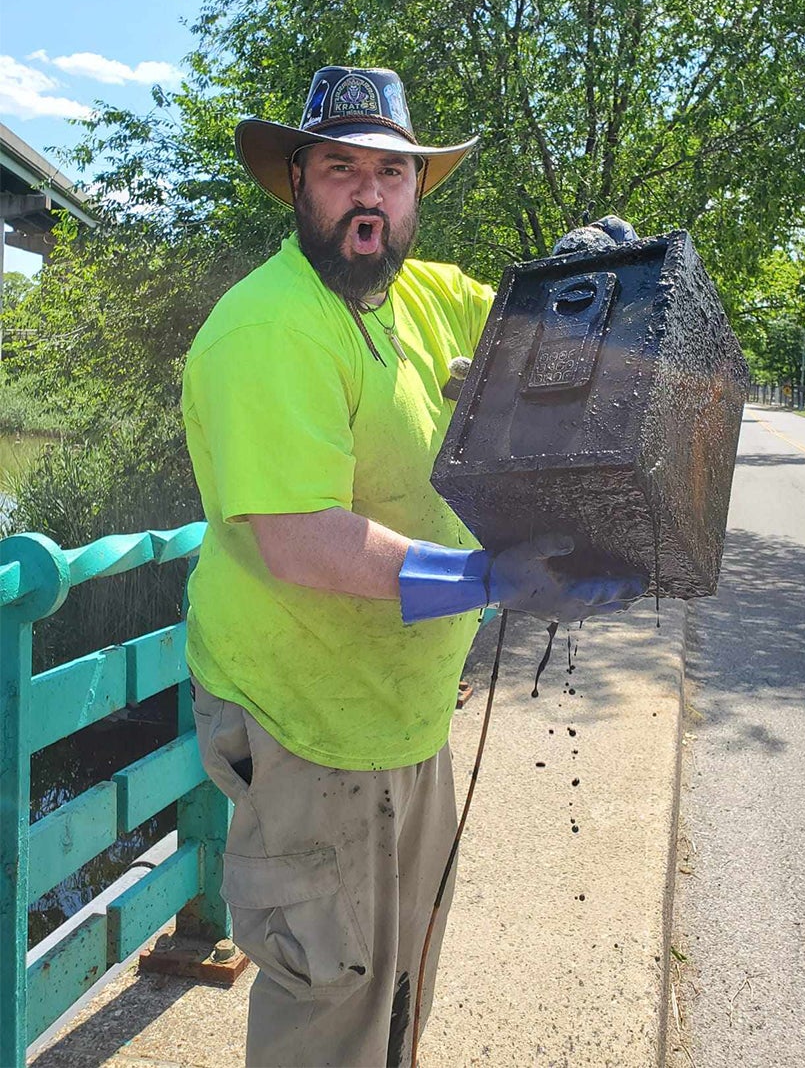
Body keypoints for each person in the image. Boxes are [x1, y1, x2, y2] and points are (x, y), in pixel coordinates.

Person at [180, 65, 644, 1066]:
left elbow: (542, 339)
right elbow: (296, 536)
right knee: (331, 994)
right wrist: (486, 581)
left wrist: (590, 276)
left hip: (402, 706)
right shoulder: (268, 328)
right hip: (299, 713)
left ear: (414, 192)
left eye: (390, 174)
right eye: (340, 169)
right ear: (297, 183)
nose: (367, 195)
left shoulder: (428, 295)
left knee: (401, 977)